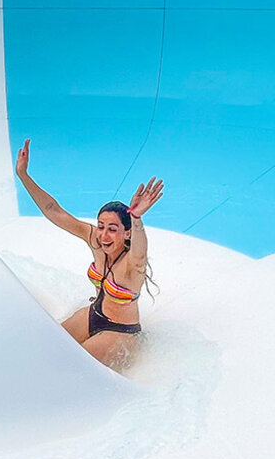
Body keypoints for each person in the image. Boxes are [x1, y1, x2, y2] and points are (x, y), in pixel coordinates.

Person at [15, 138, 164, 370]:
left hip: (120, 332)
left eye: (112, 229)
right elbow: (54, 211)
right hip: (92, 315)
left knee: (71, 369)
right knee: (46, 349)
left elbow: (141, 250)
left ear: (126, 234)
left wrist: (136, 218)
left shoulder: (133, 265)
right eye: (101, 225)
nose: (103, 235)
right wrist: (24, 175)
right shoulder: (96, 240)